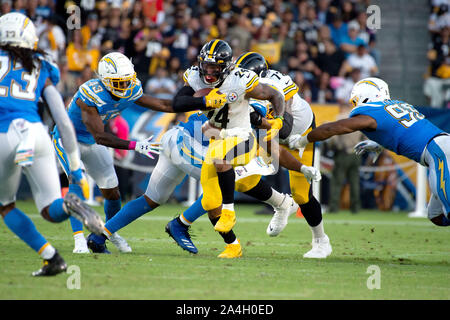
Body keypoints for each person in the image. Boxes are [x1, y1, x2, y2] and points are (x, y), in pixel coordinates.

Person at [86, 109, 321, 257]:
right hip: (186, 144)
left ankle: (99, 236)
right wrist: (296, 159)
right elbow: (271, 144)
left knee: (150, 200)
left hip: (175, 138)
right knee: (221, 183)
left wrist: (300, 167)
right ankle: (183, 224)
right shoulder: (254, 112)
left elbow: (270, 146)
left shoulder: (240, 100)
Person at [0, 13, 103, 276]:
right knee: (51, 208)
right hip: (36, 131)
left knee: (6, 205)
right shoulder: (39, 63)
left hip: (2, 134)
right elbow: (63, 120)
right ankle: (55, 251)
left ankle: (49, 254)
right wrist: (75, 166)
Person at [52, 51, 173, 253]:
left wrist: (200, 103)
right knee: (77, 181)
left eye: (127, 81)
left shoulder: (131, 88)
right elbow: (101, 136)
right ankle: (79, 240)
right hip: (68, 139)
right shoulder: (89, 94)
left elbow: (163, 104)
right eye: (119, 82)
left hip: (91, 142)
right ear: (105, 81)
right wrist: (136, 145)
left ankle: (107, 232)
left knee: (112, 191)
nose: (125, 86)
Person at [289, 77, 450, 227]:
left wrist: (303, 140)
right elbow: (405, 132)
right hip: (440, 146)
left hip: (439, 151)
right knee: (435, 215)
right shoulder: (396, 104)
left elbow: (333, 128)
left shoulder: (372, 111)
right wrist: (379, 143)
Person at [170, 39, 286, 238]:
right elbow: (177, 103)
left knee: (220, 160)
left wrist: (278, 120)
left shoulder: (240, 79)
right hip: (220, 137)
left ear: (226, 67)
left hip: (242, 136)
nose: (208, 72)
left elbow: (275, 95)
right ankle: (234, 245)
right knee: (208, 200)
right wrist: (204, 101)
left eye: (214, 67)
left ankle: (229, 210)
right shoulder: (196, 77)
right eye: (205, 65)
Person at [233, 52, 333, 258]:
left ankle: (321, 242)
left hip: (299, 135)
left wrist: (254, 116)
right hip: (270, 136)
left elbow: (284, 128)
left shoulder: (275, 84)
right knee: (240, 179)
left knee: (302, 195)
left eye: (244, 76)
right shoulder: (242, 87)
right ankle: (280, 205)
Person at [326, 103, 365, 213]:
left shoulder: (339, 118)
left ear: (341, 108)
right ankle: (355, 208)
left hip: (342, 154)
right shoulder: (358, 120)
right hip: (356, 154)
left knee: (336, 182)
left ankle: (334, 208)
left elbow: (333, 137)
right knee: (354, 182)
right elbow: (365, 138)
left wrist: (332, 147)